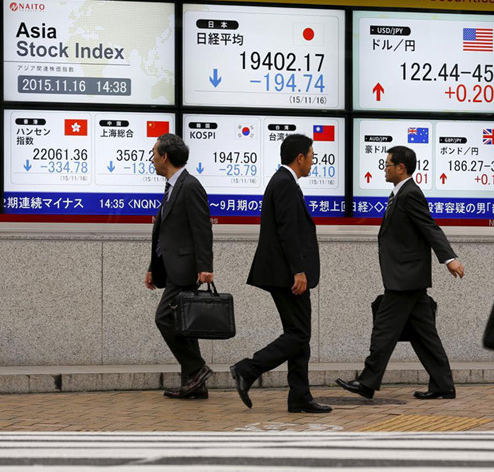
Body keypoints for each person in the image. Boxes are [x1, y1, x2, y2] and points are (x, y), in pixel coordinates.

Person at [336, 146, 465, 400]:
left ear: (401, 168)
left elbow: (429, 227)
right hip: (408, 277)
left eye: (387, 165)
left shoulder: (410, 194)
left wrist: (448, 258)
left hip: (405, 278)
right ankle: (443, 385)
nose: (384, 169)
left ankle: (367, 382)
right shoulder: (399, 194)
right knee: (424, 335)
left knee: (383, 330)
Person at [230, 134, 331, 414]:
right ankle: (248, 369)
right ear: (300, 157)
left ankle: (300, 396)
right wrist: (298, 270)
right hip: (287, 275)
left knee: (298, 333)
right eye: (311, 156)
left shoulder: (284, 181)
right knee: (299, 334)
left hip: (285, 273)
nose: (313, 162)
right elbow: (288, 231)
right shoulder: (284, 183)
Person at [145, 133, 214, 399]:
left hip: (186, 268)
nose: (152, 159)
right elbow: (165, 233)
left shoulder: (190, 186)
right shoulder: (172, 187)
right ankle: (195, 386)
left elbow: (202, 228)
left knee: (164, 318)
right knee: (185, 324)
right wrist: (153, 267)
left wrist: (205, 266)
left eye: (154, 154)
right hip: (172, 267)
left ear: (165, 156)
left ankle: (198, 369)